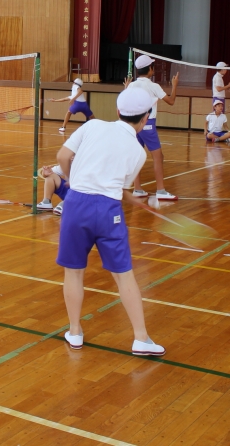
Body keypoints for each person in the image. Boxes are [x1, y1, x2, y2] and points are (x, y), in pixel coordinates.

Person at [54, 86, 165, 357]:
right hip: (108, 212)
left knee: (74, 272)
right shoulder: (139, 153)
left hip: (76, 205)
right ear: (145, 118)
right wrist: (129, 197)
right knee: (123, 275)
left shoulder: (91, 126)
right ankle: (141, 338)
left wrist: (72, 180)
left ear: (117, 111)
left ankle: (75, 332)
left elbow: (62, 157)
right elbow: (115, 186)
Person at [126, 54, 179, 201]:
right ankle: (161, 190)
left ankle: (137, 189)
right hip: (147, 124)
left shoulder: (132, 85)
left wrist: (126, 88)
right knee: (158, 157)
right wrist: (174, 85)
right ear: (150, 69)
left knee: (137, 156)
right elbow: (171, 101)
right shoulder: (153, 86)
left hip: (134, 124)